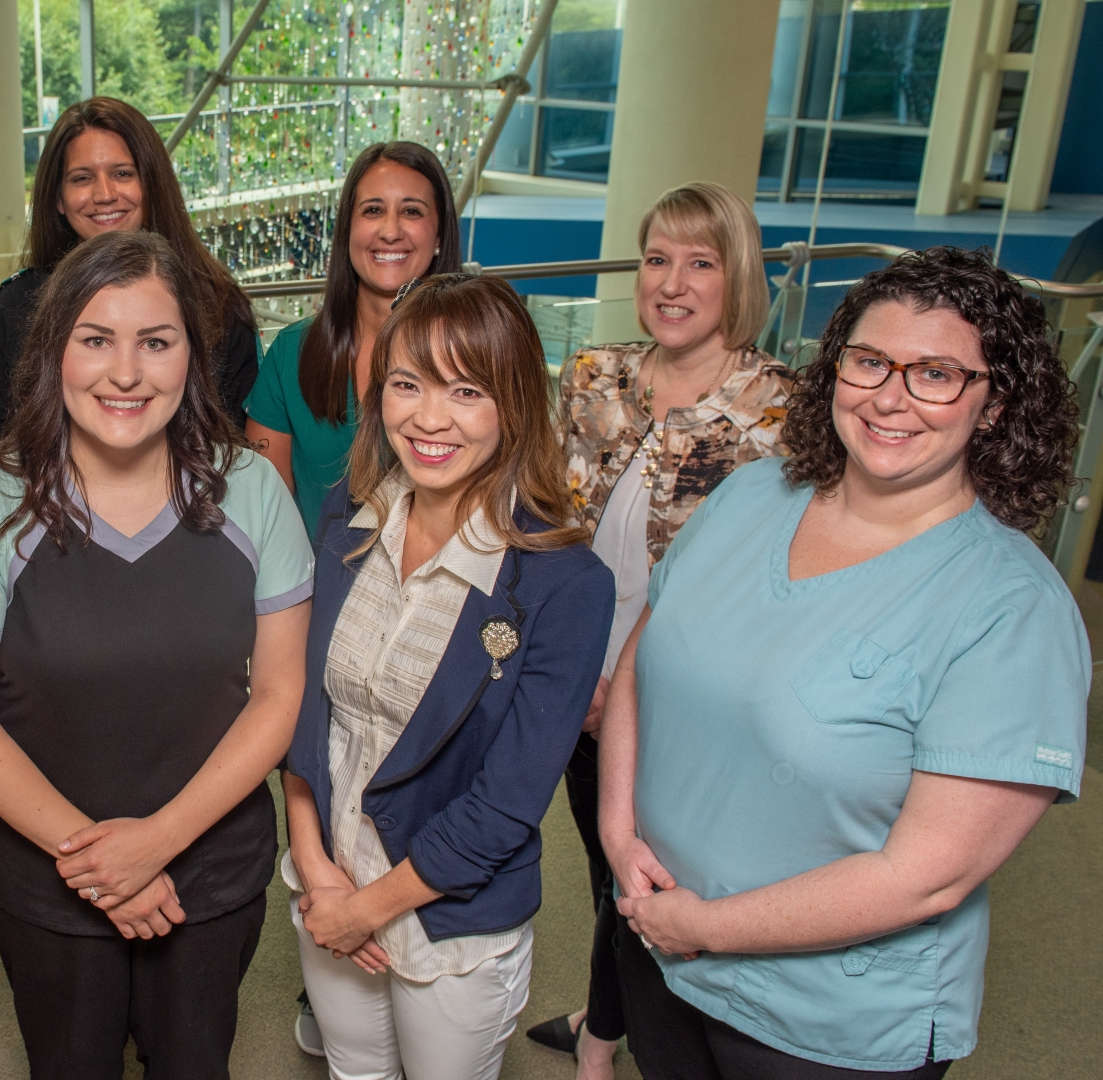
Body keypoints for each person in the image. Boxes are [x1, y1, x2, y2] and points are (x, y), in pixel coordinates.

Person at [599, 246, 1086, 1078]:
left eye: (936, 373)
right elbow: (647, 655)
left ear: (995, 404)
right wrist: (617, 830)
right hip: (659, 945)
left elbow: (924, 878)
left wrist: (706, 927)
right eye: (870, 361)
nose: (890, 397)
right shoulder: (752, 495)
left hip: (827, 1024)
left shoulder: (1012, 612)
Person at [0, 230, 313, 1080]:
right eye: (96, 340)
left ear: (191, 359)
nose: (125, 373)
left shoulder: (252, 491)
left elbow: (276, 698)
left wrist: (157, 841)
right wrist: (100, 860)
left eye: (155, 343)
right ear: (54, 353)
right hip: (45, 878)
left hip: (210, 870)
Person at [284, 273, 613, 1080]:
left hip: (448, 919)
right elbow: (303, 716)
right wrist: (320, 874)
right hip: (325, 883)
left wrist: (366, 909)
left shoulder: (566, 583)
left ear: (514, 405)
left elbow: (506, 803)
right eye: (407, 384)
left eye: (467, 391)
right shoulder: (343, 518)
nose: (429, 419)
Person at [528, 181, 794, 1080]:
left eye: (700, 262)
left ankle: (607, 1041)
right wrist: (570, 676)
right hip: (576, 677)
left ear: (738, 278)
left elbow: (776, 585)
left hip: (688, 701)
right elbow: (548, 525)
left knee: (659, 880)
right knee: (610, 874)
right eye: (655, 259)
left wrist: (629, 696)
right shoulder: (594, 375)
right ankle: (610, 1019)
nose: (672, 282)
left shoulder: (783, 410)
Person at [0, 96, 260, 429]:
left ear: (152, 185)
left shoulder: (221, 308)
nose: (104, 194)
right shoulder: (11, 309)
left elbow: (235, 448)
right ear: (58, 198)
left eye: (122, 173)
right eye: (81, 178)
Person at [246, 141, 461, 541]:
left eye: (411, 211)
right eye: (373, 210)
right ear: (347, 231)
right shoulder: (292, 353)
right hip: (315, 594)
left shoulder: (480, 357)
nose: (391, 230)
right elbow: (264, 514)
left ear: (439, 236)